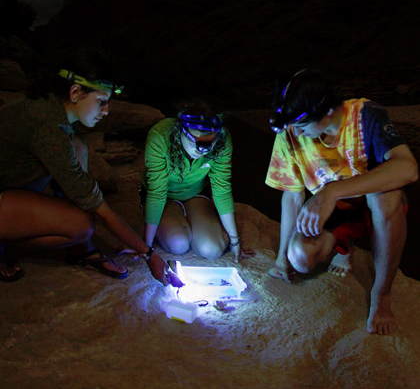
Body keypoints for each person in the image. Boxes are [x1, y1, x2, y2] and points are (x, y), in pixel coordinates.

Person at [265, 69, 418, 335]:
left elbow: (407, 168)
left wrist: (332, 190)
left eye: (302, 127)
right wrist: (281, 259)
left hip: (373, 209)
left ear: (326, 113)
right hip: (335, 212)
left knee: (386, 196)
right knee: (300, 256)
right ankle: (343, 246)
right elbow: (291, 195)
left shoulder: (365, 115)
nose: (297, 135)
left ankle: (381, 296)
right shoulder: (290, 132)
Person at [0, 49, 169, 284]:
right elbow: (97, 206)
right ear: (76, 92)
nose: (106, 111)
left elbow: (78, 185)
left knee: (78, 145)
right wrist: (149, 254)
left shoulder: (54, 110)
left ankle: (81, 250)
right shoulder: (49, 128)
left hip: (12, 183)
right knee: (81, 225)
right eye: (101, 102)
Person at [138, 99, 253, 262]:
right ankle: (174, 218)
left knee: (212, 249)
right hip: (165, 196)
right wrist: (146, 248)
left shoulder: (222, 140)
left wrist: (235, 241)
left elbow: (222, 188)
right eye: (196, 141)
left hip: (196, 193)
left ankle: (195, 217)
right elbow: (157, 192)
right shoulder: (160, 136)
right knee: (178, 244)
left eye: (209, 142)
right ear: (181, 131)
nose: (201, 150)